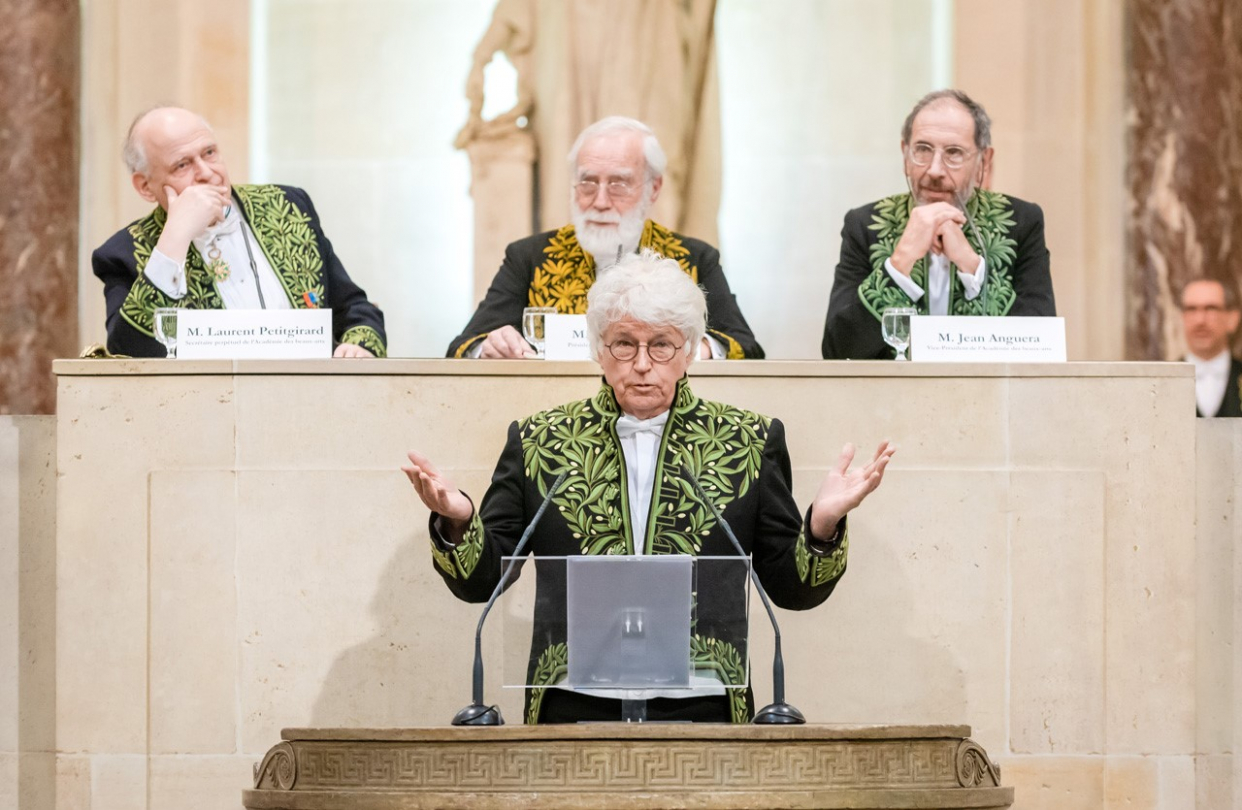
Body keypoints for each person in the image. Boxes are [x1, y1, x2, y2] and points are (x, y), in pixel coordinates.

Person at [407, 251, 893, 724]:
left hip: (703, 702)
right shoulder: (542, 441)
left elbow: (791, 588)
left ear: (688, 353)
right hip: (573, 700)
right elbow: (481, 581)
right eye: (624, 343)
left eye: (661, 344)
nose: (642, 363)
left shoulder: (748, 441)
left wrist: (823, 526)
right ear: (599, 350)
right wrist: (458, 521)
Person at [447, 116, 762, 360]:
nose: (599, 201)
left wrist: (701, 349)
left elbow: (745, 346)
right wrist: (490, 346)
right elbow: (462, 347)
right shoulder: (529, 257)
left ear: (653, 188)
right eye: (587, 183)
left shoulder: (693, 258)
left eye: (618, 184)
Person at [92, 106, 386, 358]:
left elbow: (353, 308)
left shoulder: (287, 207)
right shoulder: (123, 253)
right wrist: (175, 239)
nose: (206, 172)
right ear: (145, 186)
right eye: (182, 165)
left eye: (209, 153)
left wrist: (359, 347)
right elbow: (127, 353)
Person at [822, 89, 1056, 360]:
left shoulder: (1021, 222)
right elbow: (837, 351)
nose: (934, 170)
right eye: (922, 150)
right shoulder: (865, 225)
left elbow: (1041, 350)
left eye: (954, 153)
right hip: (889, 400)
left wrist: (971, 265)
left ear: (984, 162)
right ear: (905, 156)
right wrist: (899, 263)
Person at [1180, 278, 1242, 417]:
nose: (1200, 320)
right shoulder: (1161, 380)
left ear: (1233, 319)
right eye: (1191, 309)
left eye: (1211, 308)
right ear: (1182, 317)